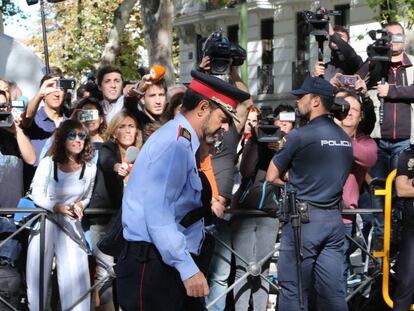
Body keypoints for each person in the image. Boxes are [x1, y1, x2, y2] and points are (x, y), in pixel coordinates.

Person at [116, 70, 250, 311]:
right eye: (222, 118)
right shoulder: (175, 145)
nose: (226, 128)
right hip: (154, 268)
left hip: (164, 264)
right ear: (203, 108)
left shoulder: (183, 142)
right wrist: (187, 269)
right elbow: (159, 215)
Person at [266, 76, 353, 310]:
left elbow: (271, 176)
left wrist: (292, 181)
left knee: (293, 290)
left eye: (301, 97)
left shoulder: (299, 136)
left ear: (315, 101)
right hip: (334, 221)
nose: (297, 101)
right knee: (333, 293)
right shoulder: (345, 138)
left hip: (304, 223)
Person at [26, 120, 97, 311]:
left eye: (81, 136)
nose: (77, 140)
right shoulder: (49, 163)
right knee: (37, 280)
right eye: (72, 135)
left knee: (76, 281)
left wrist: (80, 205)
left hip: (71, 224)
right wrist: (56, 207)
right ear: (63, 138)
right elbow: (37, 193)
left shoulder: (90, 168)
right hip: (45, 222)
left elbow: (87, 196)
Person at [357, 21, 414, 249]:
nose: (395, 41)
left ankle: (401, 246)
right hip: (377, 140)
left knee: (401, 195)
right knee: (379, 193)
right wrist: (372, 59)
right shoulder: (376, 63)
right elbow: (354, 81)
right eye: (390, 37)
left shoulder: (411, 64)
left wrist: (391, 91)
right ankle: (381, 250)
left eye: (399, 36)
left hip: (405, 141)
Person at [87, 110, 142, 310]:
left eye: (131, 126)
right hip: (105, 221)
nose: (128, 131)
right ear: (114, 131)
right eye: (122, 126)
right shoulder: (107, 148)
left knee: (131, 270)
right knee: (105, 272)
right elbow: (106, 161)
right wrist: (118, 166)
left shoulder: (143, 154)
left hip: (134, 223)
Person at [231, 105, 284, 311]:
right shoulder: (250, 142)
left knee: (261, 269)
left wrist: (280, 151)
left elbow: (287, 175)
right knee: (243, 269)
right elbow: (246, 172)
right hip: (244, 213)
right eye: (254, 123)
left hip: (269, 214)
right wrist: (254, 141)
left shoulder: (284, 143)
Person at [335, 89, 377, 288]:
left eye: (355, 109)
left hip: (343, 218)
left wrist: (336, 134)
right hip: (314, 215)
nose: (349, 112)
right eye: (345, 107)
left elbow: (367, 157)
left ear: (361, 116)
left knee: (338, 273)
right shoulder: (321, 135)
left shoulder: (365, 142)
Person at [0, 79, 36, 310]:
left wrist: (15, 130)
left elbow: (32, 158)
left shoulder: (16, 131)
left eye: (4, 93)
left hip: (9, 221)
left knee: (8, 282)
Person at [394, 146, 414, 310]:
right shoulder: (408, 154)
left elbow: (408, 186)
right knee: (405, 281)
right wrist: (407, 184)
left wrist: (411, 183)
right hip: (411, 226)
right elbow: (401, 189)